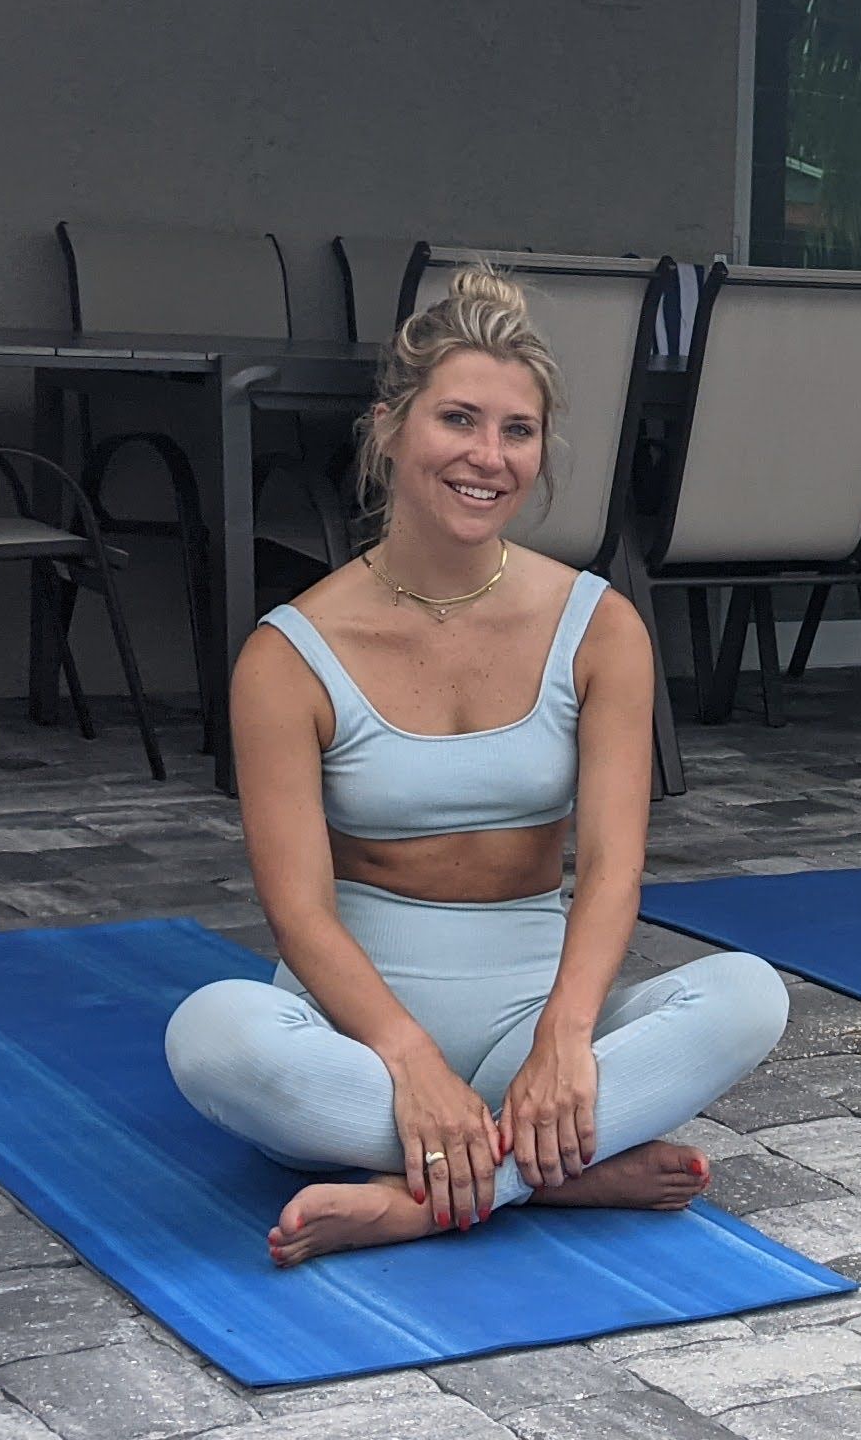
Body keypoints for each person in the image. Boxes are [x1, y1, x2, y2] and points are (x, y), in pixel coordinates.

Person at [165, 267, 785, 1256]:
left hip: (533, 1028)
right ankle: (558, 1171)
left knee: (752, 995)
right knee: (209, 1037)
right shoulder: (288, 654)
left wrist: (566, 1036)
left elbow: (614, 869)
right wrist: (406, 1058)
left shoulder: (599, 628)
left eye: (517, 432)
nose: (487, 458)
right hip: (354, 1044)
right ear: (390, 428)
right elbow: (298, 912)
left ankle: (433, 1194)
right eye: (458, 420)